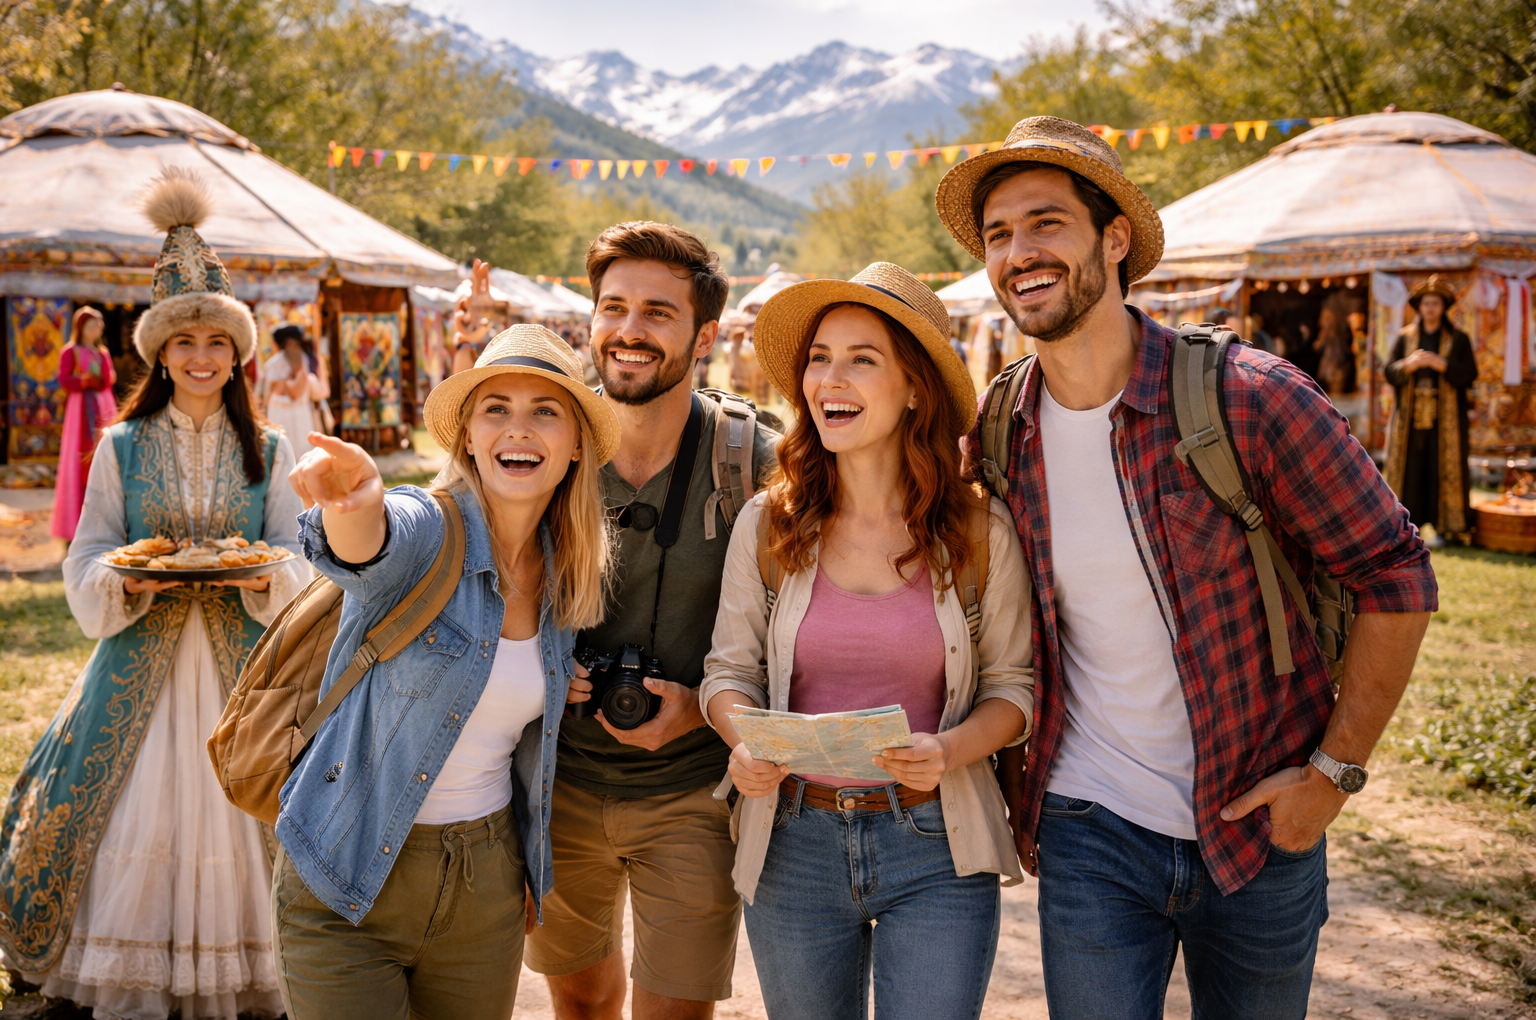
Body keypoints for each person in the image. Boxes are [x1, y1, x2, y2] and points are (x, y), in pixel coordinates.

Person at [933, 116, 1439, 1019]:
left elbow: (1396, 573)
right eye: (999, 234)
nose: (1018, 253)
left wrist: (1332, 776)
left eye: (1047, 223)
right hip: (1088, 825)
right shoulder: (1003, 427)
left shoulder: (1250, 397)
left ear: (1114, 238)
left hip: (1259, 819)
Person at [0, 167, 309, 1019]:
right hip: (139, 657)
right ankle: (121, 966)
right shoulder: (121, 446)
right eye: (183, 342)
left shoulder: (272, 450)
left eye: (216, 342)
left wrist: (268, 575)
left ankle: (262, 966)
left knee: (253, 801)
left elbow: (297, 551)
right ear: (159, 353)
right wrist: (124, 578)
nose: (201, 357)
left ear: (238, 354)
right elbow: (91, 550)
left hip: (246, 664)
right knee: (120, 807)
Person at [701, 262, 1034, 1019]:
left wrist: (948, 750)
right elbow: (726, 673)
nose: (830, 378)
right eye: (820, 357)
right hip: (792, 841)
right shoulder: (769, 522)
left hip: (937, 840)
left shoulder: (980, 530)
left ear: (915, 387)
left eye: (861, 359)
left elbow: (1014, 688)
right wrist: (742, 742)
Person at [273, 325, 619, 1020]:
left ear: (577, 444)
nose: (518, 428)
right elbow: (370, 544)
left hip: (486, 883)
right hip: (347, 866)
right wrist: (355, 503)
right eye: (496, 408)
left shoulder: (568, 571)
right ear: (467, 435)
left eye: (545, 410)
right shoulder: (426, 530)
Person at [524, 222, 779, 1020]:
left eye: (658, 313)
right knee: (581, 1004)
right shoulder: (539, 446)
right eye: (614, 307)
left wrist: (704, 706)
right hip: (556, 783)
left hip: (694, 792)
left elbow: (815, 635)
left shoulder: (757, 466)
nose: (629, 331)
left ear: (705, 336)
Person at [1384, 275, 1476, 547]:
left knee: (1441, 470)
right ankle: (1404, 528)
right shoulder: (1405, 338)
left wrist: (1443, 365)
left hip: (1446, 420)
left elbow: (1470, 373)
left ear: (1443, 307)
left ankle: (1446, 528)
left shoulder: (1458, 339)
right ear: (1419, 307)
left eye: (1435, 303)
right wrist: (1408, 365)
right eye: (1426, 303)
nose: (1430, 308)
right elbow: (1389, 371)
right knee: (1410, 470)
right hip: (1409, 419)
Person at [51, 305, 118, 540]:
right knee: (79, 456)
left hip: (103, 404)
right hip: (80, 408)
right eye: (91, 325)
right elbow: (64, 378)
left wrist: (99, 380)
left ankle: (108, 520)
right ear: (80, 328)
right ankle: (76, 521)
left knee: (106, 453)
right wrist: (84, 381)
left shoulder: (102, 353)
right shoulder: (71, 351)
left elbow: (109, 379)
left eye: (98, 325)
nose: (95, 329)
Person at [261, 323, 326, 444]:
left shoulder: (274, 363)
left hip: (281, 416)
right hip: (299, 417)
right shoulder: (303, 358)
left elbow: (268, 397)